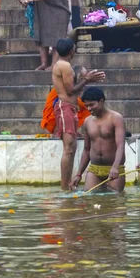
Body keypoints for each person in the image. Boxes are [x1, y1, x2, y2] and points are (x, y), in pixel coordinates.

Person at [52, 38, 106, 190]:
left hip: (69, 108)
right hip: (65, 107)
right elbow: (71, 90)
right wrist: (87, 80)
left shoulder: (61, 64)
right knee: (69, 148)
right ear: (72, 51)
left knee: (72, 148)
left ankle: (68, 185)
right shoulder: (64, 65)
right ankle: (64, 188)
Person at [69, 87, 126, 192]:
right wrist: (78, 174)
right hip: (94, 169)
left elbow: (120, 145)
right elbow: (86, 150)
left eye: (91, 105)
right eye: (87, 106)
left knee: (115, 200)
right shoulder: (87, 122)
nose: (89, 109)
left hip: (114, 168)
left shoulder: (116, 118)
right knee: (90, 198)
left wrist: (115, 167)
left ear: (101, 101)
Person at [17, 0, 70, 70]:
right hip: (41, 8)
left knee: (57, 35)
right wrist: (22, 0)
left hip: (58, 8)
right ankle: (44, 63)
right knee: (40, 34)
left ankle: (54, 64)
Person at [40, 65, 92, 133]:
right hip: (51, 120)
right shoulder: (66, 85)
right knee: (70, 106)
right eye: (84, 78)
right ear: (79, 78)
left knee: (89, 110)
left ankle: (70, 130)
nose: (85, 81)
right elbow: (75, 101)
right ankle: (59, 131)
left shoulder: (76, 86)